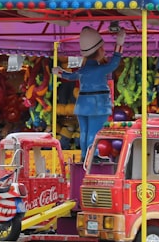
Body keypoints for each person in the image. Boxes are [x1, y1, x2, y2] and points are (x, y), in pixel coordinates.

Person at [53, 26, 125, 160]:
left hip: (82, 104)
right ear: (98, 51)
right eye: (102, 48)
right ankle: (93, 155)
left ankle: (84, 155)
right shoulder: (100, 69)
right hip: (97, 105)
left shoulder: (83, 71)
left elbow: (71, 76)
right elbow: (114, 64)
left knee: (84, 131)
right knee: (95, 131)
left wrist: (59, 72)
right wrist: (119, 45)